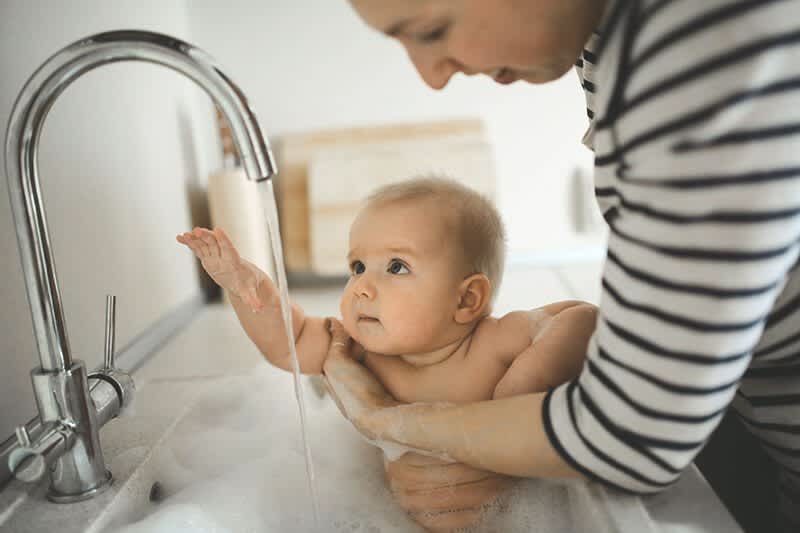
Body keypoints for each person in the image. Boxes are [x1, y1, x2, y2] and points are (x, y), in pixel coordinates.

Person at [321, 1, 800, 533]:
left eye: (434, 30)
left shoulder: (700, 49)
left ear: (469, 298)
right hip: (749, 414)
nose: (431, 76)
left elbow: (630, 433)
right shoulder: (611, 41)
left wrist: (390, 422)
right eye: (357, 265)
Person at [176, 177, 598, 530]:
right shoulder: (356, 355)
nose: (361, 286)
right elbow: (288, 343)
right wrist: (247, 288)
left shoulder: (494, 344)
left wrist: (525, 384)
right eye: (357, 266)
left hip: (512, 519)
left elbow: (582, 319)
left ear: (467, 299)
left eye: (396, 267)